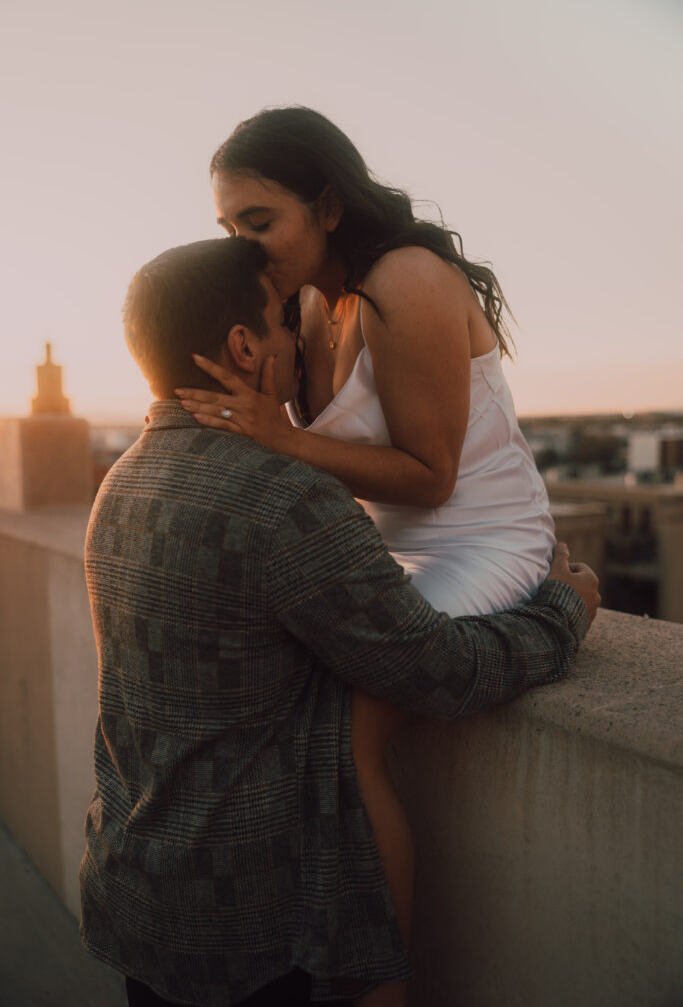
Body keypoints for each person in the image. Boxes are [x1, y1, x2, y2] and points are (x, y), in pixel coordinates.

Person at [80, 235, 599, 1007]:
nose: (300, 337)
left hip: (139, 900)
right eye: (284, 321)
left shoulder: (122, 483)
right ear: (243, 345)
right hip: (248, 936)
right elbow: (440, 671)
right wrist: (564, 608)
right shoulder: (282, 500)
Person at [174, 107, 558, 1003]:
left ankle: (378, 989)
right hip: (388, 550)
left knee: (345, 744)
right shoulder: (303, 304)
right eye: (228, 227)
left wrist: (281, 436)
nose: (244, 245)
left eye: (259, 222)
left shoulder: (407, 280)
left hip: (481, 540)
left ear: (330, 206)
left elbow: (429, 477)